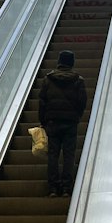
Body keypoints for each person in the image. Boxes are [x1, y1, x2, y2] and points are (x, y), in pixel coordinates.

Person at [37, 49, 87, 197]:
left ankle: (52, 188)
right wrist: (76, 116)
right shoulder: (78, 80)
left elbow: (42, 102)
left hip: (52, 122)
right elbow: (82, 102)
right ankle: (66, 188)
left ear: (59, 62)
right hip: (70, 122)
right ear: (71, 63)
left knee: (53, 154)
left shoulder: (48, 79)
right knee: (69, 155)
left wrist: (43, 121)